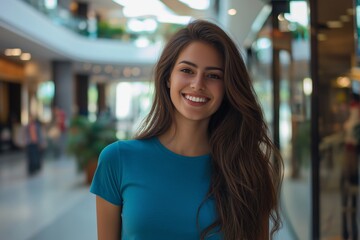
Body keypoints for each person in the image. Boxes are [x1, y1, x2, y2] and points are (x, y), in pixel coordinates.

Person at [90, 19, 283, 240]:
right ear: (168, 78)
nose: (198, 84)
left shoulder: (247, 167)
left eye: (213, 75)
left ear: (227, 87)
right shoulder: (118, 160)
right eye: (187, 70)